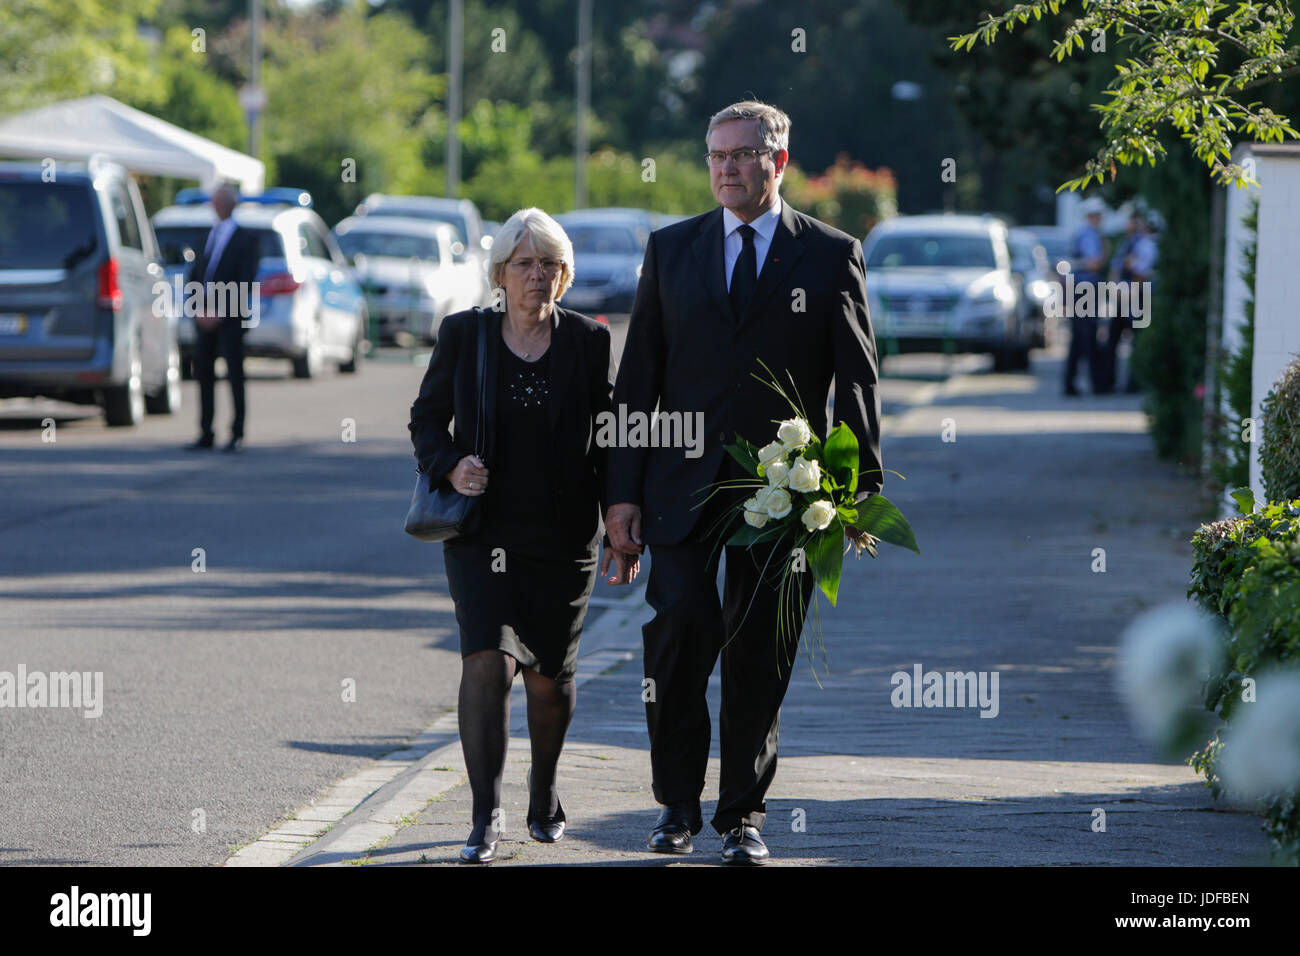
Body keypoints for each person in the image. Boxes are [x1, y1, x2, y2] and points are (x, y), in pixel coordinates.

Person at [604, 101, 882, 865]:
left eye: (742, 155)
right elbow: (638, 382)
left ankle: (742, 817)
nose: (726, 168)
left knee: (761, 652)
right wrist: (620, 496)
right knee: (679, 637)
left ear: (778, 160)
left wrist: (854, 489)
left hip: (787, 493)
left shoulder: (829, 255)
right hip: (680, 490)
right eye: (716, 156)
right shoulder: (671, 250)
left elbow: (857, 381)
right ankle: (675, 807)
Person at [408, 208, 637, 864]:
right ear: (501, 273)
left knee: (548, 675)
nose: (536, 275)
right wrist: (452, 462)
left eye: (549, 265)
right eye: (524, 264)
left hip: (563, 536)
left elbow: (609, 440)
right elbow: (426, 419)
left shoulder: (587, 342)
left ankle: (545, 787)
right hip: (482, 532)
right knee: (486, 661)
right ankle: (485, 815)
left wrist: (620, 524)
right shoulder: (465, 336)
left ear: (563, 277)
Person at [185, 185, 260, 452]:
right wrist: (197, 308)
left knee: (234, 374)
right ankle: (206, 430)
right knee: (203, 373)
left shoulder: (246, 239)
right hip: (204, 316)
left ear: (230, 204)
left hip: (230, 319)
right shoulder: (208, 235)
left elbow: (244, 280)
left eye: (218, 201)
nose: (214, 206)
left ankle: (237, 431)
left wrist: (220, 311)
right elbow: (196, 274)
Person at [1100, 211, 1158, 394]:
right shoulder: (1126, 243)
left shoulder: (1146, 244)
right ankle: (1108, 381)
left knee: (1136, 341)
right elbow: (1116, 269)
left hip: (1137, 297)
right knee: (1113, 340)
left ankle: (1134, 382)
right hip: (1122, 296)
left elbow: (1143, 273)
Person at [1063, 197, 1107, 396]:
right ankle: (1096, 383)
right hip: (1085, 290)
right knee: (1087, 336)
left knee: (1079, 339)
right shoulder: (1089, 236)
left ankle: (1070, 383)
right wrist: (1106, 253)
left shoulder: (1084, 234)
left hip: (1080, 289)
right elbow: (1094, 264)